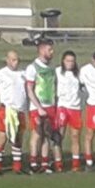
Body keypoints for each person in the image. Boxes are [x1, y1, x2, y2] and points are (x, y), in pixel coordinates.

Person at [23, 38, 60, 173]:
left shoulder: (51, 67)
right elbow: (29, 90)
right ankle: (33, 163)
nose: (52, 52)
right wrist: (38, 107)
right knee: (37, 134)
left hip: (50, 105)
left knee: (47, 134)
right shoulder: (32, 67)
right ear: (41, 50)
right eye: (49, 49)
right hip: (37, 106)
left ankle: (45, 164)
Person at [0, 51, 27, 174]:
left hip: (20, 110)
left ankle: (17, 167)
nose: (16, 62)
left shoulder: (23, 74)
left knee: (18, 137)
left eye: (17, 60)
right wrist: (0, 94)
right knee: (3, 136)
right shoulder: (0, 73)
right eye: (13, 60)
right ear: (7, 60)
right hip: (6, 110)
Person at [54, 52, 83, 172]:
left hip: (75, 108)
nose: (70, 63)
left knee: (75, 136)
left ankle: (76, 163)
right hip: (62, 107)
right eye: (67, 61)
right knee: (58, 136)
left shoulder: (79, 74)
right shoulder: (57, 72)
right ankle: (58, 163)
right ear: (63, 61)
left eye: (72, 61)